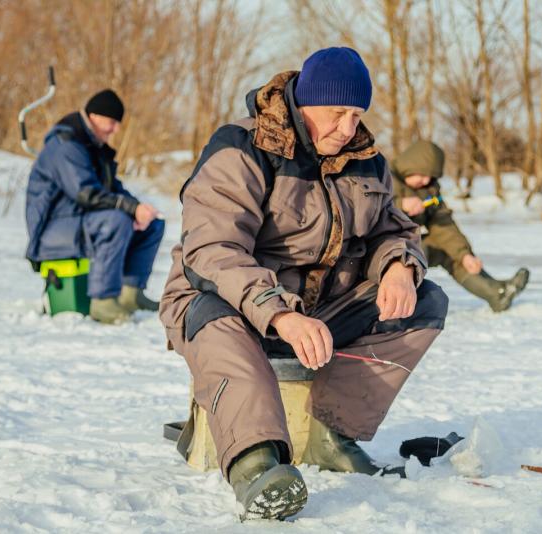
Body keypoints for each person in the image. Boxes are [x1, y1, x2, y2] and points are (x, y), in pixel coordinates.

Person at [159, 47, 448, 520]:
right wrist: (280, 312)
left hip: (319, 311)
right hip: (225, 302)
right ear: (305, 101)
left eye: (357, 115)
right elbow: (213, 251)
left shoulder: (367, 161)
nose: (348, 128)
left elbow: (395, 230)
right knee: (216, 314)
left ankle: (332, 434)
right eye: (337, 113)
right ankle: (256, 463)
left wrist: (399, 265)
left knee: (425, 301)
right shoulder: (242, 147)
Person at [25, 89, 164, 324]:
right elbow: (85, 193)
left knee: (152, 224)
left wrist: (139, 209)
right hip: (51, 230)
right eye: (112, 122)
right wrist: (128, 209)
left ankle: (131, 294)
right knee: (117, 221)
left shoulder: (92, 146)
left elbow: (112, 189)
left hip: (79, 222)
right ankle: (103, 300)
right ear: (94, 117)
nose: (115, 129)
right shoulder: (66, 146)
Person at [391, 140, 529, 312]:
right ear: (410, 165)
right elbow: (365, 210)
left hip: (408, 245)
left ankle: (496, 293)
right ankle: (398, 308)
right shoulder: (381, 177)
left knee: (446, 250)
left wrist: (464, 255)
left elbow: (444, 225)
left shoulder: (429, 190)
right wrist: (399, 204)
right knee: (416, 251)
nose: (426, 180)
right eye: (422, 173)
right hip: (378, 251)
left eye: (431, 176)